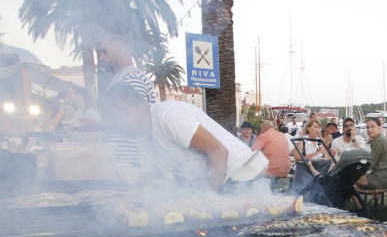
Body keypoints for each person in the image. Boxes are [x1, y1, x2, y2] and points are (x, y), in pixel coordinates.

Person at [100, 83, 262, 192]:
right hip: (218, 183)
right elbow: (150, 176)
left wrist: (209, 201)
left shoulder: (168, 115)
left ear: (125, 107)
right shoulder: (143, 138)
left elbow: (219, 152)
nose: (116, 126)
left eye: (114, 118)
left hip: (240, 177)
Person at [99, 35, 156, 169]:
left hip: (132, 161)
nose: (101, 58)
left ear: (119, 51)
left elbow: (134, 123)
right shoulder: (120, 78)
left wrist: (95, 126)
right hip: (123, 162)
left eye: (105, 52)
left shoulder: (133, 77)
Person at [356, 117, 387, 189]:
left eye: (372, 127)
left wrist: (356, 169)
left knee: (350, 177)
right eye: (367, 127)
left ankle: (348, 200)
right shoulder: (382, 139)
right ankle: (356, 200)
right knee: (352, 183)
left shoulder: (379, 141)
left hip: (383, 179)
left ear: (379, 127)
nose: (369, 129)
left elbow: (370, 164)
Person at [253, 121, 291, 188]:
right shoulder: (281, 134)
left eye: (261, 130)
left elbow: (253, 152)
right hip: (286, 170)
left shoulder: (264, 135)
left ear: (265, 128)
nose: (261, 132)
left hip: (272, 172)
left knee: (254, 179)